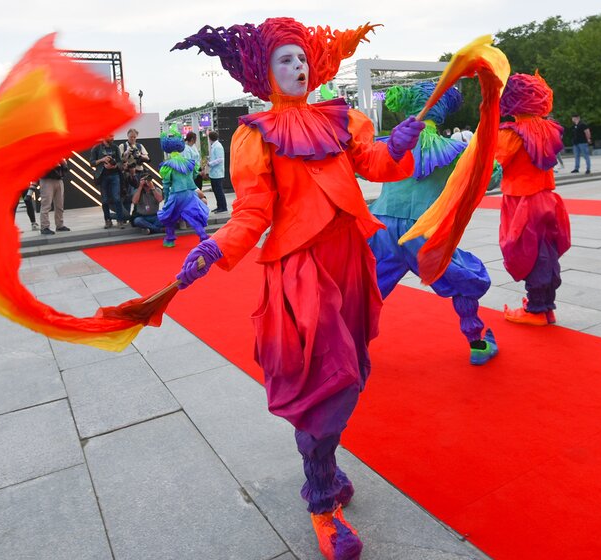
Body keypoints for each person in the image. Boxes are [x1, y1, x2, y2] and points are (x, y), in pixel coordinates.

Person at [172, 18, 424, 560]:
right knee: (325, 384)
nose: (298, 67)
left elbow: (375, 164)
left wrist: (397, 143)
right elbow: (252, 211)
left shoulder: (341, 119)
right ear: (263, 72)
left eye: (302, 58)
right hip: (302, 268)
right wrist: (215, 248)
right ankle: (322, 500)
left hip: (350, 261)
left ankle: (325, 466)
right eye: (285, 60)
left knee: (350, 373)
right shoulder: (255, 134)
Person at [369, 82, 500, 366]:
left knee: (369, 288)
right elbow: (490, 178)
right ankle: (477, 343)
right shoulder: (453, 149)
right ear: (441, 112)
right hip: (423, 230)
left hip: (381, 227)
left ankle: (347, 349)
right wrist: (489, 158)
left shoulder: (388, 145)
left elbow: (364, 168)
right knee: (464, 278)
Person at [496, 73, 571, 325]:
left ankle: (538, 309)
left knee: (528, 252)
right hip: (547, 199)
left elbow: (493, 164)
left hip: (522, 200)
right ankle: (546, 305)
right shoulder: (549, 128)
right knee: (545, 251)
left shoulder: (510, 134)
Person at [157, 125, 210, 247]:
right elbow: (195, 174)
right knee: (193, 216)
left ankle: (170, 238)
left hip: (177, 194)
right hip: (190, 193)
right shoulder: (188, 163)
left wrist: (166, 198)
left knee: (169, 216)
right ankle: (203, 236)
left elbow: (166, 184)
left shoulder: (168, 165)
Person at [91, 135, 127, 229]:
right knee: (105, 200)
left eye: (113, 136)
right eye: (110, 136)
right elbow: (92, 162)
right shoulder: (96, 148)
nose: (112, 138)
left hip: (115, 175)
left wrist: (114, 166)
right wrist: (102, 160)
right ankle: (108, 221)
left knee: (117, 198)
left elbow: (120, 162)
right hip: (102, 176)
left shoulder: (115, 147)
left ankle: (120, 221)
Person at [120, 128, 151, 217]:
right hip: (128, 173)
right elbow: (120, 159)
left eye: (134, 137)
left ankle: (137, 214)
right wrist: (126, 153)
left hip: (139, 172)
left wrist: (140, 155)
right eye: (131, 137)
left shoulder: (139, 146)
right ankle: (127, 216)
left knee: (139, 194)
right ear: (127, 136)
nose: (132, 139)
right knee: (128, 195)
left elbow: (147, 158)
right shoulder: (123, 146)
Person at [36, 160, 70, 235]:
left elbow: (64, 166)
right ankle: (44, 227)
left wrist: (63, 162)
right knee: (46, 204)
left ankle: (59, 225)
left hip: (59, 179)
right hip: (46, 179)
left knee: (60, 205)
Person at [206, 130, 227, 213]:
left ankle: (223, 207)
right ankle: (219, 206)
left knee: (219, 190)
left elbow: (220, 159)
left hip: (218, 173)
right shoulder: (214, 146)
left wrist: (210, 163)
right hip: (214, 173)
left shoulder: (217, 146)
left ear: (210, 138)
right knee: (216, 190)